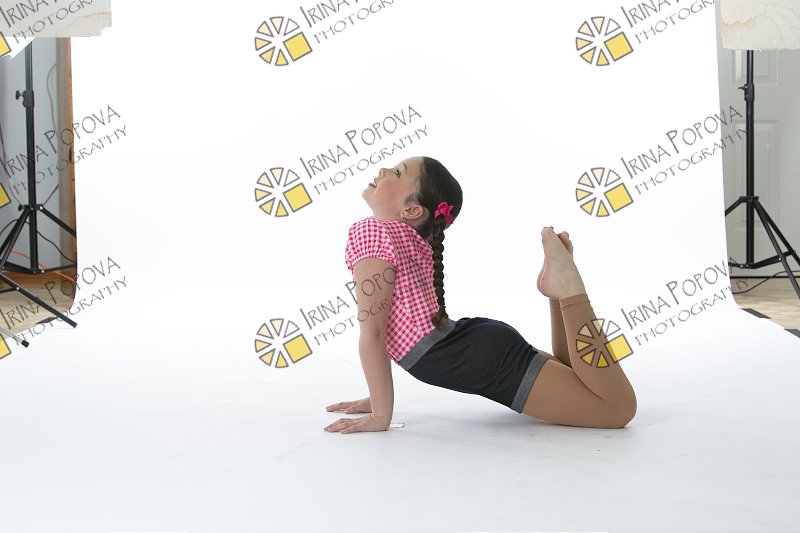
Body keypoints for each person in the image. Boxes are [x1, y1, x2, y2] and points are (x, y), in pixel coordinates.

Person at [324, 156, 637, 434]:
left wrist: (380, 415)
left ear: (412, 210)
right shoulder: (402, 235)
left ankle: (569, 290)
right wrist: (376, 396)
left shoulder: (372, 232)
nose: (382, 170)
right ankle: (558, 294)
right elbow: (392, 328)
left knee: (616, 409)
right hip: (473, 345)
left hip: (474, 357)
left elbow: (374, 333)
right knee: (581, 377)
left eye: (396, 172)